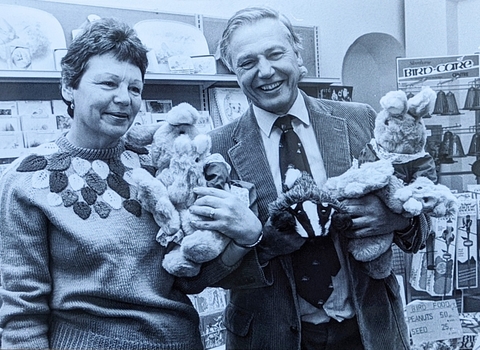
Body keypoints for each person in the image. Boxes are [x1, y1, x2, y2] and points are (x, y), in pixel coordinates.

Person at [0, 17, 259, 349]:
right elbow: (23, 312)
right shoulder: (27, 180)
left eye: (134, 88)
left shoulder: (158, 164)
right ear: (68, 87)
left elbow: (187, 278)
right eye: (108, 83)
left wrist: (243, 240)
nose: (125, 98)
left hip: (178, 340)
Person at [187, 7, 431, 350]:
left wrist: (395, 219)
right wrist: (263, 241)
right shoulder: (216, 150)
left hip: (371, 332)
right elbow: (208, 272)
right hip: (268, 338)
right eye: (247, 62)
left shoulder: (362, 120)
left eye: (275, 54)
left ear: (298, 55)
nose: (265, 71)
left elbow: (421, 230)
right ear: (233, 71)